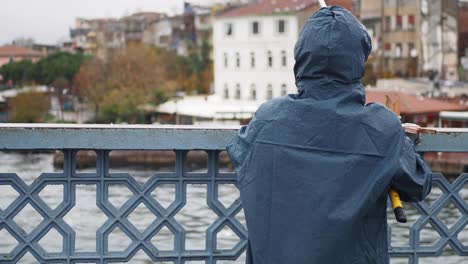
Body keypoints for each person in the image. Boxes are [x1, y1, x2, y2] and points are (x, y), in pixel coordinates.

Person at [226, 6, 432, 264]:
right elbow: (418, 184)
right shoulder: (381, 127)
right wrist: (397, 139)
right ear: (357, 62)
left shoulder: (268, 119)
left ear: (301, 59)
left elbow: (239, 151)